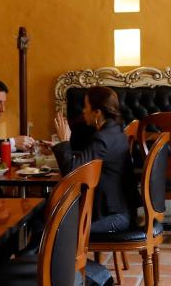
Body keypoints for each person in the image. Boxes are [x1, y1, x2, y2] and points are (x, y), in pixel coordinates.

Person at [51, 86, 140, 233]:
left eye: (86, 106)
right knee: (48, 220)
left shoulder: (103, 137)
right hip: (122, 211)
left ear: (97, 112)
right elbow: (91, 158)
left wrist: (64, 142)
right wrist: (59, 148)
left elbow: (72, 172)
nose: (83, 111)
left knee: (58, 231)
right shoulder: (115, 130)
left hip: (113, 217)